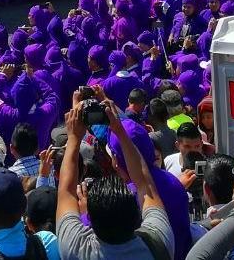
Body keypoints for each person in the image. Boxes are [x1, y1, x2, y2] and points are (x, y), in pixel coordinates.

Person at [56, 97, 172, 260]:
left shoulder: (76, 249)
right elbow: (146, 187)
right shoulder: (159, 241)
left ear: (88, 218)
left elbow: (66, 192)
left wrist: (74, 138)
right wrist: (119, 130)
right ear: (136, 215)